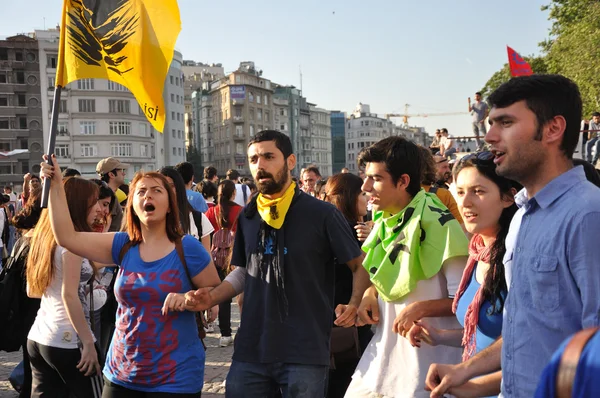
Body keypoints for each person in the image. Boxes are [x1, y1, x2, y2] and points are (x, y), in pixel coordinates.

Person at [425, 74, 600, 398]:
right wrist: (465, 370)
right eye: (491, 123)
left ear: (553, 129)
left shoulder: (588, 214)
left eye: (505, 123)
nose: (490, 137)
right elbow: (527, 328)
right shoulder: (522, 219)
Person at [185, 130, 370, 397]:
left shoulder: (322, 214)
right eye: (253, 159)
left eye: (268, 156)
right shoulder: (249, 216)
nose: (260, 165)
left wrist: (354, 304)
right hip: (251, 350)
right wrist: (212, 296)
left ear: (290, 161)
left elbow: (358, 264)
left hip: (305, 351)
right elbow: (243, 273)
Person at [39, 155, 221, 397]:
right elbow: (67, 237)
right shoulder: (123, 244)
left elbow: (215, 293)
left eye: (157, 190)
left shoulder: (188, 248)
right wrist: (56, 185)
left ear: (170, 205)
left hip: (176, 377)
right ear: (132, 204)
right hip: (121, 374)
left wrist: (189, 297)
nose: (148, 195)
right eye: (141, 191)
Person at [343, 137, 468, 398]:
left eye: (375, 178)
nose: (365, 187)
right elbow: (378, 273)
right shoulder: (383, 220)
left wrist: (419, 309)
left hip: (427, 372)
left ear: (403, 182)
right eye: (366, 177)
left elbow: (464, 303)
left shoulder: (441, 225)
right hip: (383, 362)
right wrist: (369, 296)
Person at [408, 151, 519, 398]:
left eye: (478, 191)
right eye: (460, 192)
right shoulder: (477, 251)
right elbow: (481, 336)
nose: (465, 202)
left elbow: (527, 344)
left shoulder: (518, 257)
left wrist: (470, 383)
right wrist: (439, 336)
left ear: (508, 197)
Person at [26, 177, 104, 397]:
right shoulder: (72, 245)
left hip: (40, 337)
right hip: (69, 341)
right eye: (94, 201)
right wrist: (88, 342)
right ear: (78, 205)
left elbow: (33, 290)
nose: (99, 208)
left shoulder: (43, 238)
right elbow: (69, 295)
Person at [321, 173, 374, 398]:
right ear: (349, 198)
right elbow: (372, 271)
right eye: (362, 193)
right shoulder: (351, 231)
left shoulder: (329, 227)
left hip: (334, 318)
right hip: (346, 320)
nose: (367, 198)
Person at [10, 185, 43, 398]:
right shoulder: (38, 241)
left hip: (25, 315)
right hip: (35, 314)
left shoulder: (26, 237)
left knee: (34, 376)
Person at [206, 180, 244, 347]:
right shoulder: (240, 211)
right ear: (233, 194)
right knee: (238, 295)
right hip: (234, 256)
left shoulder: (211, 212)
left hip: (215, 257)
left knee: (222, 296)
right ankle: (242, 328)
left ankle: (225, 334)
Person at [420, 147, 463, 224]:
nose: (448, 171)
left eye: (448, 167)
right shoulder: (443, 195)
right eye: (444, 167)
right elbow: (461, 227)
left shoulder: (400, 195)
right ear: (432, 167)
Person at [96, 157, 128, 232]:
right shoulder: (108, 198)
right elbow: (105, 226)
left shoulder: (110, 195)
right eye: (121, 171)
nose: (124, 173)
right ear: (111, 175)